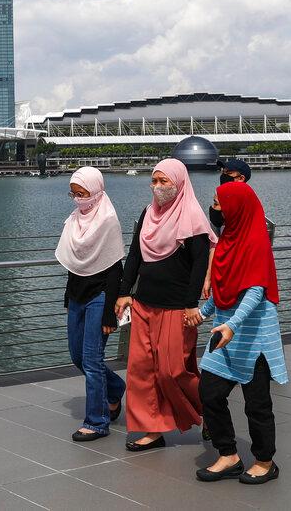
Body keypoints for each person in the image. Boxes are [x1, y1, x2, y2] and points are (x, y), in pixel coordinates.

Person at [115, 158, 217, 451]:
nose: (157, 187)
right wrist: (124, 292)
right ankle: (152, 428)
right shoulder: (148, 213)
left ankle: (212, 410)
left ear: (179, 183)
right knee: (141, 370)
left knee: (173, 371)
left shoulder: (192, 216)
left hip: (177, 306)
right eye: (154, 181)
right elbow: (135, 255)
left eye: (164, 181)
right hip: (144, 303)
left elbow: (199, 264)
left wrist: (191, 304)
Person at [189, 181, 287, 485]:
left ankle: (265, 461)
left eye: (219, 203)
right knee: (209, 392)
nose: (215, 208)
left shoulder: (256, 241)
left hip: (254, 336)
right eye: (215, 202)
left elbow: (255, 291)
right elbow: (223, 289)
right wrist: (202, 313)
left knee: (257, 403)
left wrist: (233, 324)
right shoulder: (227, 240)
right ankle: (229, 455)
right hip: (225, 333)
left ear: (236, 208)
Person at [56, 167, 127, 441]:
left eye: (82, 193)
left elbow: (115, 270)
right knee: (77, 356)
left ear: (96, 191)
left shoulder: (108, 221)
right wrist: (68, 295)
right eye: (73, 194)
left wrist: (110, 313)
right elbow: (74, 264)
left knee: (92, 359)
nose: (78, 199)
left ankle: (97, 422)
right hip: (76, 295)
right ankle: (115, 387)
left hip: (100, 297)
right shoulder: (74, 219)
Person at [209, 158, 251, 232]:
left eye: (228, 173)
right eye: (223, 172)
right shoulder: (222, 194)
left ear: (241, 178)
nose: (224, 176)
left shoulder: (246, 200)